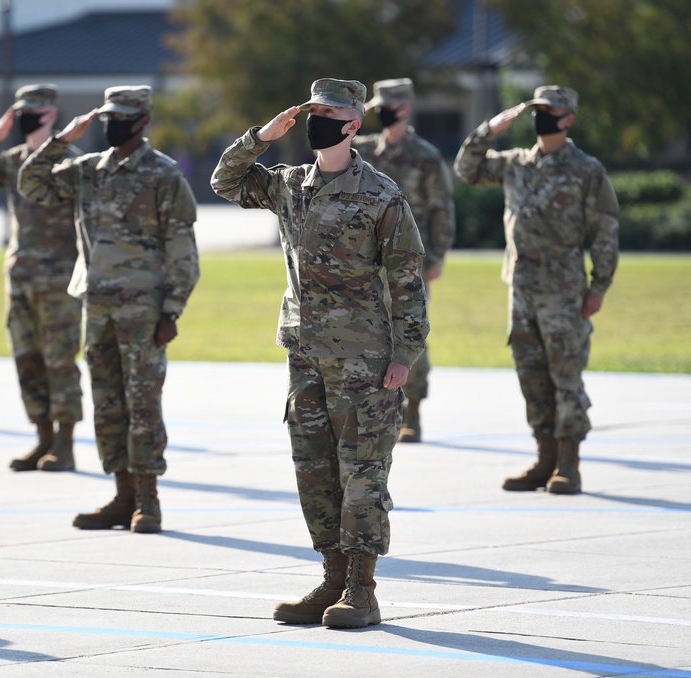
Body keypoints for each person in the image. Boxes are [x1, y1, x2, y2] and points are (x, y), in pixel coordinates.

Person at [211, 78, 428, 629]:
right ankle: (331, 579)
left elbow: (407, 281)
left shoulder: (380, 195)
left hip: (365, 357)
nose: (316, 120)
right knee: (314, 472)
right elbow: (224, 180)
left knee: (363, 474)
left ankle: (362, 590)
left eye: (328, 113)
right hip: (304, 352)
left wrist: (405, 354)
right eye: (312, 111)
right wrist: (262, 135)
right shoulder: (288, 185)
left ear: (353, 124)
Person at [17, 85, 199, 533]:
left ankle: (149, 501)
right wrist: (60, 139)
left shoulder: (164, 175)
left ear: (142, 121)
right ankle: (122, 494)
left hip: (143, 309)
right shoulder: (88, 170)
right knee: (108, 403)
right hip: (96, 305)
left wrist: (171, 310)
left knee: (142, 403)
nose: (109, 124)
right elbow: (31, 182)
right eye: (105, 116)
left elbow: (183, 249)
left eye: (119, 116)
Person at [453, 86, 619, 495]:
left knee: (565, 376)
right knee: (531, 377)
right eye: (536, 110)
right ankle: (544, 459)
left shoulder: (587, 169)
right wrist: (490, 130)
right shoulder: (516, 163)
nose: (540, 116)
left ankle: (568, 465)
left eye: (550, 111)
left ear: (569, 119)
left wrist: (599, 286)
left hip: (563, 291)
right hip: (521, 288)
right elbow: (466, 170)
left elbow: (606, 230)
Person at [0, 84, 84, 472]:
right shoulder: (12, 160)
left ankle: (64, 444)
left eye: (33, 110)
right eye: (19, 110)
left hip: (59, 278)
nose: (24, 117)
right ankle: (42, 438)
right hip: (21, 276)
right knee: (26, 359)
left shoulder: (72, 161)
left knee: (59, 359)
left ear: (51, 113)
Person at [354, 78, 455, 443]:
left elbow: (442, 209)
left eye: (388, 106)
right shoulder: (365, 148)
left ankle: (412, 410)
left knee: (409, 330)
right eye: (377, 106)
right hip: (366, 260)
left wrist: (438, 256)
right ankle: (375, 408)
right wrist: (357, 112)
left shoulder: (425, 156)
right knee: (367, 332)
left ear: (406, 109)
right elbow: (330, 143)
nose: (382, 112)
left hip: (410, 259)